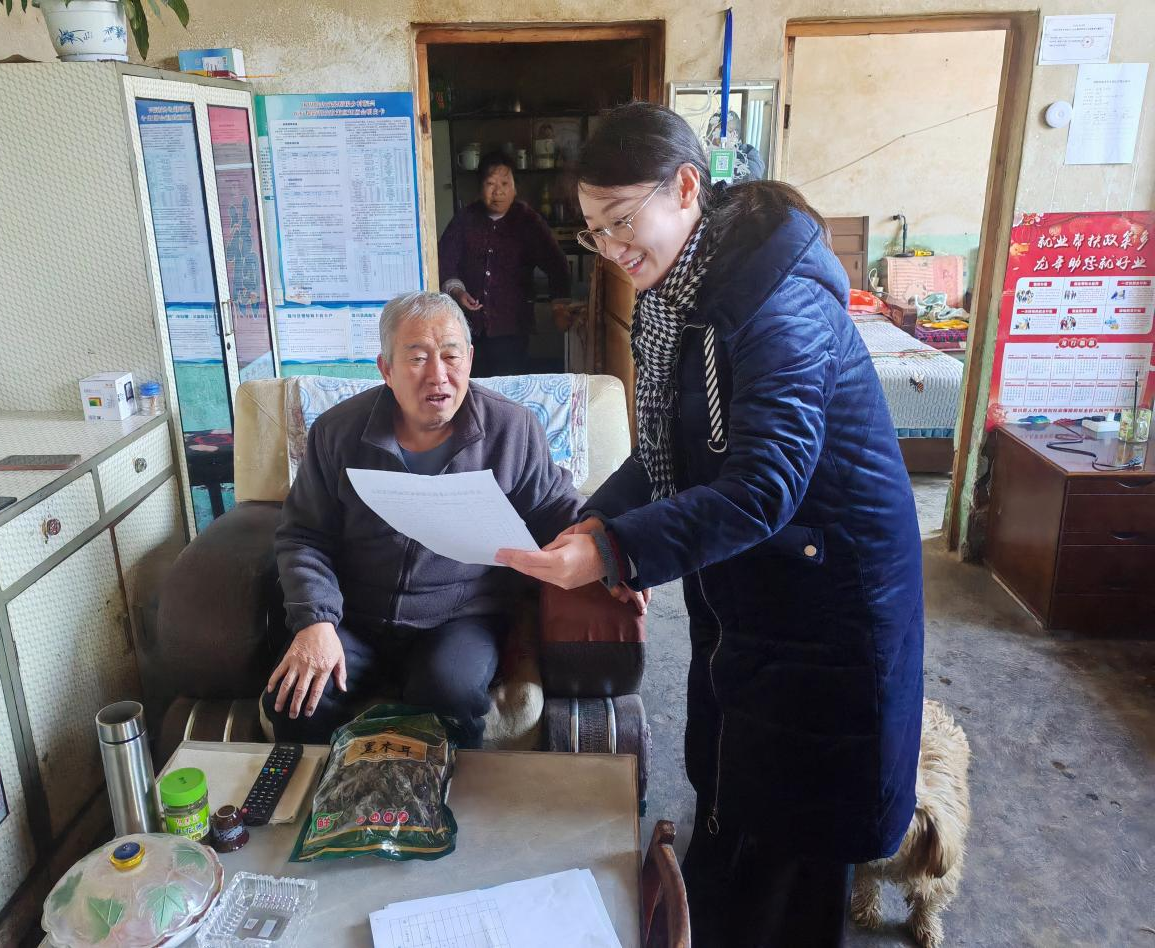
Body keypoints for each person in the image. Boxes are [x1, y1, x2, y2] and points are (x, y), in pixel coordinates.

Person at [496, 102, 924, 946]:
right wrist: (593, 521)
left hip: (831, 605)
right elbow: (670, 452)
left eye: (623, 221)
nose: (612, 249)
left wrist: (616, 552)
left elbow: (763, 486)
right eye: (593, 230)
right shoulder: (681, 298)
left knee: (795, 847)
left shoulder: (775, 303)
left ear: (686, 188)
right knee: (737, 799)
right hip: (759, 589)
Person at [265, 291, 588, 747]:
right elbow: (303, 535)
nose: (438, 375)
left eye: (451, 356)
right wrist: (316, 621)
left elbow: (556, 508)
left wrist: (610, 548)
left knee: (448, 693)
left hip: (460, 616)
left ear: (469, 359)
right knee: (297, 699)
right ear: (386, 369)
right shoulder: (337, 432)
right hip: (353, 614)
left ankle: (448, 794)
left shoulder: (511, 429)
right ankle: (320, 794)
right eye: (417, 358)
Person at [438, 152, 572, 377]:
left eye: (504, 183)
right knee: (472, 384)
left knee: (509, 384)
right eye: (490, 183)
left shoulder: (528, 222)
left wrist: (559, 305)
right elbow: (445, 261)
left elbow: (557, 265)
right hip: (468, 328)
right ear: (479, 188)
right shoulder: (465, 219)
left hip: (513, 327)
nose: (498, 191)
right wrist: (458, 292)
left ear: (515, 188)